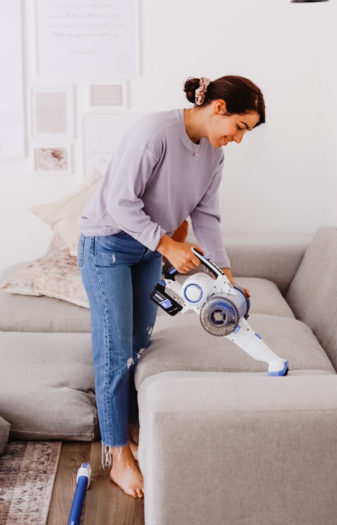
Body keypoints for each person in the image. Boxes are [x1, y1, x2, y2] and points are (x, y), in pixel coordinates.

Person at [77, 75, 266, 498]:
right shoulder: (155, 134)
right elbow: (119, 203)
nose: (238, 139)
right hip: (107, 244)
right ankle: (117, 456)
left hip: (147, 251)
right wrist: (167, 245)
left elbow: (206, 216)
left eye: (246, 133)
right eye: (239, 127)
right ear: (219, 108)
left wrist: (225, 277)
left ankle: (126, 432)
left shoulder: (214, 155)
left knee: (137, 344)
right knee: (113, 349)